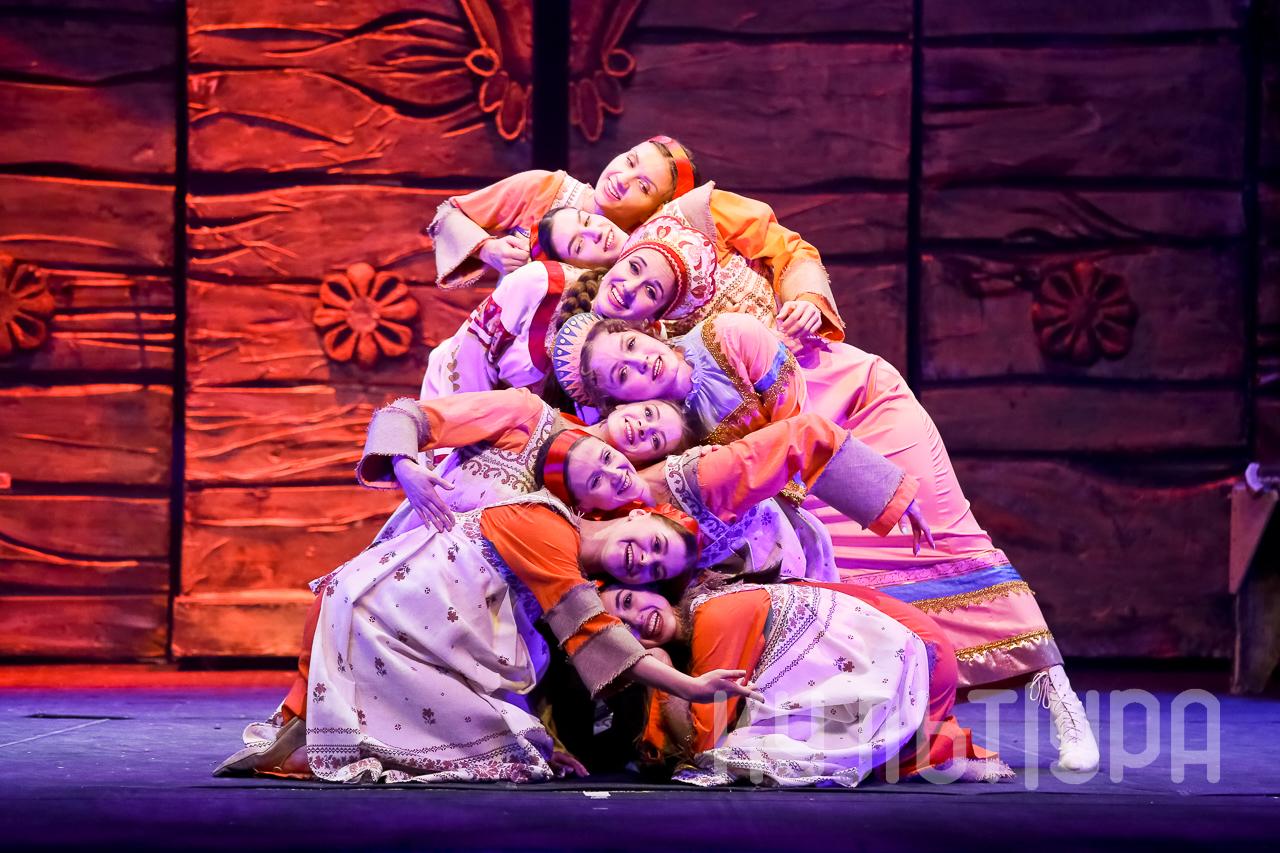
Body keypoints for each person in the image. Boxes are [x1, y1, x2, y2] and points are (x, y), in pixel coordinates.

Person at [558, 299, 1100, 771]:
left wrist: (878, 490)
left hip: (852, 414)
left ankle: (1059, 696)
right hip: (799, 480)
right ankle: (921, 723)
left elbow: (797, 421)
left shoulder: (724, 336)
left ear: (646, 331)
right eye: (622, 376)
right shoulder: (661, 442)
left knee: (948, 540)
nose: (638, 364)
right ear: (618, 402)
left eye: (631, 346)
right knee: (872, 595)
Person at [600, 580, 1011, 787]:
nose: (639, 620)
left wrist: (662, 674)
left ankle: (919, 744)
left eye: (627, 602)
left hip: (917, 658)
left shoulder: (713, 617)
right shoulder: (706, 609)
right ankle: (926, 745)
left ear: (645, 586)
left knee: (740, 749)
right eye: (624, 632)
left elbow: (702, 747)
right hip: (915, 653)